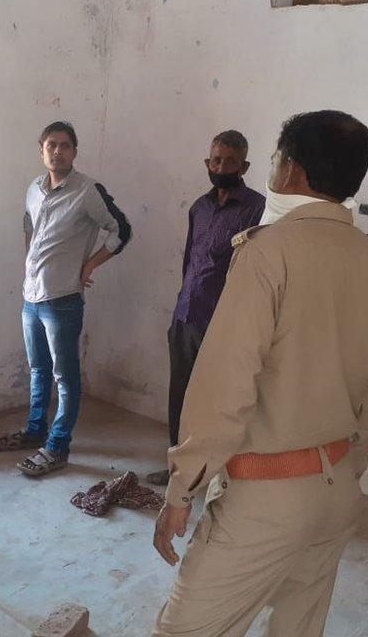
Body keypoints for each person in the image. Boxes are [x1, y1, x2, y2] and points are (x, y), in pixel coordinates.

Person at [151, 110, 368, 637]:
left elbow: (224, 387)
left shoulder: (269, 252)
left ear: (289, 169)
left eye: (272, 156)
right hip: (336, 490)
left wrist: (181, 491)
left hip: (266, 497)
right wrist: (345, 473)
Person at [0, 121, 131, 477]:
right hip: (32, 296)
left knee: (65, 377)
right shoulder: (34, 189)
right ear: (41, 148)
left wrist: (89, 265)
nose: (58, 151)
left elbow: (122, 230)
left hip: (63, 299)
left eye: (65, 146)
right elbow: (29, 223)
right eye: (52, 145)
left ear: (74, 151)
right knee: (38, 369)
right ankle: (36, 431)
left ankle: (57, 446)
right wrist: (30, 263)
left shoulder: (87, 191)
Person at [147, 130, 266, 487]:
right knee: (180, 399)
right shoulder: (199, 207)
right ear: (207, 163)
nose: (222, 167)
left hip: (224, 324)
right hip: (186, 316)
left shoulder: (257, 209)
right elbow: (190, 261)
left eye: (230, 161)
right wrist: (179, 309)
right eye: (216, 160)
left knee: (219, 404)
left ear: (244, 165)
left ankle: (215, 476)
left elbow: (253, 272)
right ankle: (179, 472)